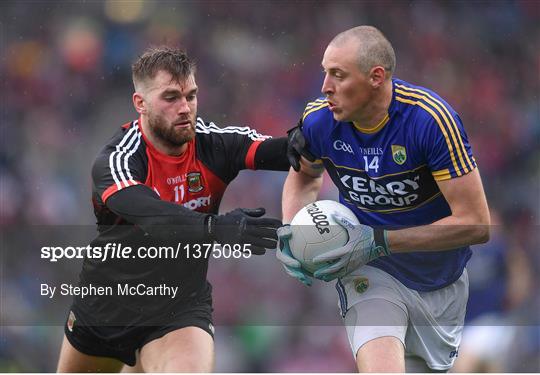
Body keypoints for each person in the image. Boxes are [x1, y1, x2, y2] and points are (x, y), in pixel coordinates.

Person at [56, 46, 291, 372]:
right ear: (140, 103)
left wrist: (320, 136)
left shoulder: (214, 143)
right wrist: (216, 228)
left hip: (178, 308)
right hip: (105, 308)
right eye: (171, 98)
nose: (185, 108)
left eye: (191, 96)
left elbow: (285, 151)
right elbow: (152, 216)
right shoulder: (117, 159)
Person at [277, 26, 490, 372]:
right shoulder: (318, 120)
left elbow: (476, 225)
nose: (324, 87)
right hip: (370, 273)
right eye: (324, 72)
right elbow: (304, 177)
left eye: (338, 75)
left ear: (376, 77)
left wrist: (379, 241)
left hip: (442, 281)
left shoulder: (430, 121)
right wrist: (292, 227)